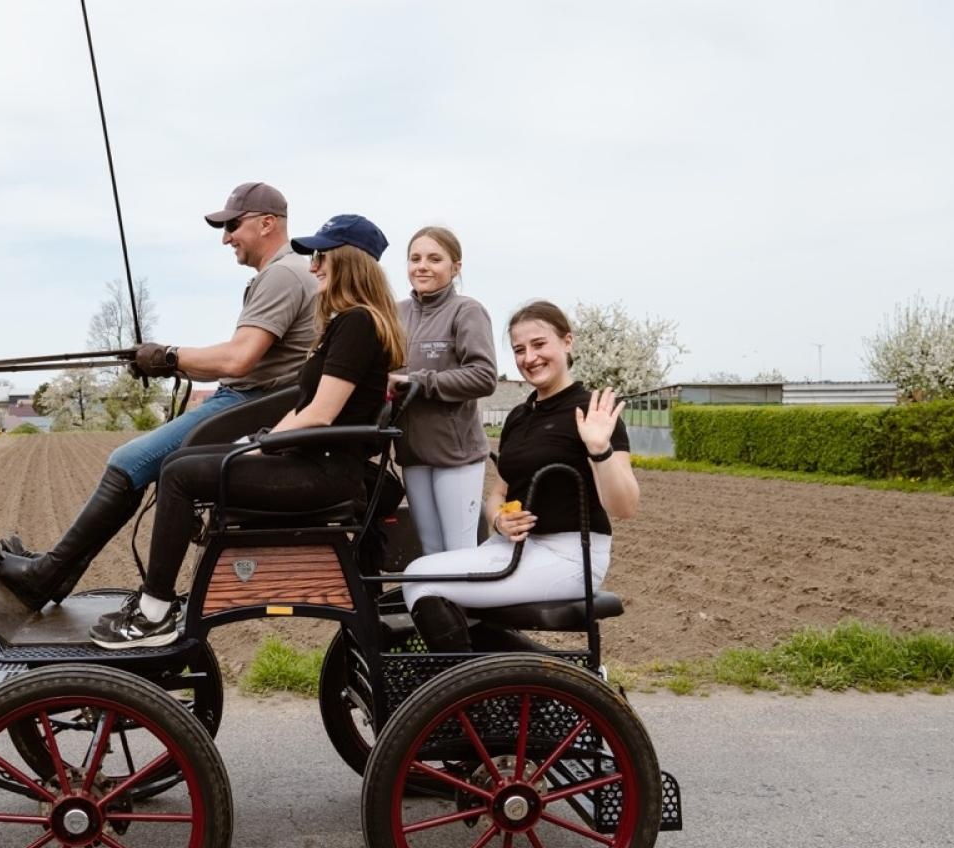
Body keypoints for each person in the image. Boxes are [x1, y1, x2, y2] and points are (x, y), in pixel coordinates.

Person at [0, 181, 318, 610]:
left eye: (232, 225)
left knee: (127, 461)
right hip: (248, 401)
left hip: (245, 405)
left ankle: (46, 576)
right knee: (134, 462)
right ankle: (56, 574)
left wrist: (170, 357)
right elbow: (242, 356)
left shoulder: (282, 276)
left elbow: (238, 360)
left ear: (268, 223)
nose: (225, 237)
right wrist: (162, 359)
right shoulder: (291, 273)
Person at [89, 214, 405, 648]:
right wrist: (258, 441)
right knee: (180, 461)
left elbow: (320, 413)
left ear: (347, 262)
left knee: (178, 475)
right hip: (319, 464)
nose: (313, 267)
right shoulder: (351, 322)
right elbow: (308, 406)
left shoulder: (357, 323)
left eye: (320, 257)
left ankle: (155, 612)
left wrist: (260, 447)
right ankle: (157, 607)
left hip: (323, 474)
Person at [398, 299, 639, 651]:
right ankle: (500, 681)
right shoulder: (519, 417)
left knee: (422, 579)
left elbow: (625, 507)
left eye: (539, 345)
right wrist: (498, 520)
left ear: (567, 342)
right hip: (512, 547)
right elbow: (499, 493)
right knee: (418, 573)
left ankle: (470, 688)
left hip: (569, 556)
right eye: (519, 349)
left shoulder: (593, 412)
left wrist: (599, 448)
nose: (529, 358)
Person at [390, 226, 496, 554]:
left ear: (456, 267)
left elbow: (484, 376)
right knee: (431, 549)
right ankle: (437, 607)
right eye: (415, 258)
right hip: (412, 453)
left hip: (455, 455)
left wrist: (419, 382)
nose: (422, 266)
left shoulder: (467, 311)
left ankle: (467, 608)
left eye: (435, 259)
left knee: (459, 551)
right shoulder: (396, 313)